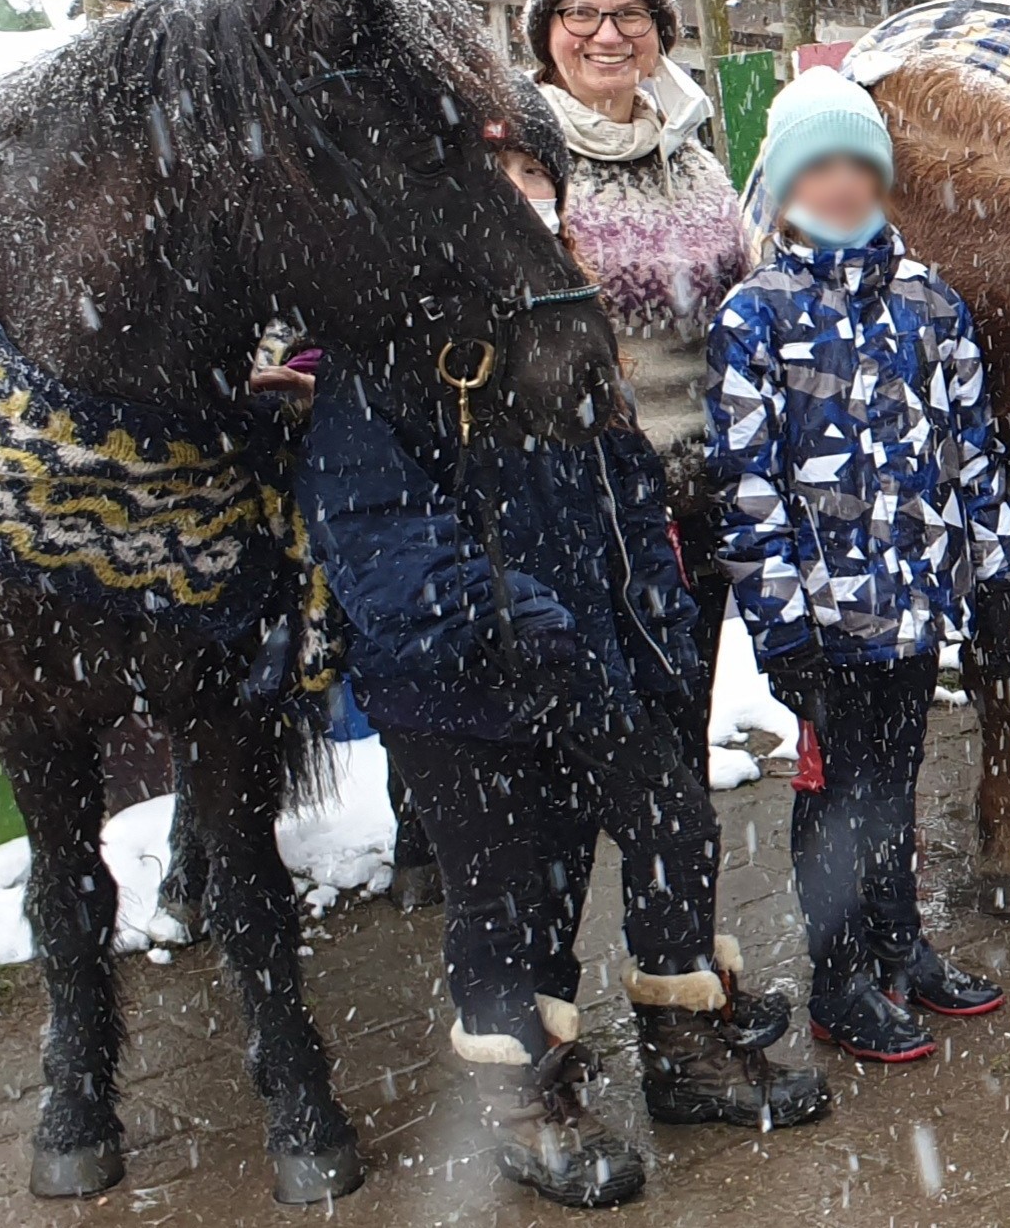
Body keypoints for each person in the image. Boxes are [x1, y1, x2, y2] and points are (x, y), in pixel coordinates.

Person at [298, 137, 828, 1211]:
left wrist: (653, 612)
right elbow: (378, 538)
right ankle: (525, 1099)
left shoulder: (555, 328)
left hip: (590, 661)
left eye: (537, 180)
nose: (524, 198)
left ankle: (682, 1046)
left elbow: (622, 486)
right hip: (464, 693)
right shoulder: (379, 360)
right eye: (497, 178)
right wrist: (516, 618)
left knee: (675, 826)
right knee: (511, 890)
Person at [704, 68, 1010, 1061]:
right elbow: (746, 486)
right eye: (818, 167)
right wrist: (781, 626)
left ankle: (900, 944)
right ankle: (837, 976)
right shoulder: (754, 317)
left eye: (858, 165)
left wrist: (996, 566)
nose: (840, 185)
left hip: (916, 601)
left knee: (895, 782)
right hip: (824, 618)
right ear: (787, 183)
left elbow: (971, 443)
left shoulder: (930, 305)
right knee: (835, 798)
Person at [521, 0, 756, 769]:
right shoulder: (525, 161)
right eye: (580, 13)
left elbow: (739, 296)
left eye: (631, 14)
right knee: (595, 749)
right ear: (547, 34)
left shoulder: (692, 155)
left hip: (697, 502)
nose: (607, 34)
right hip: (587, 510)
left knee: (678, 734)